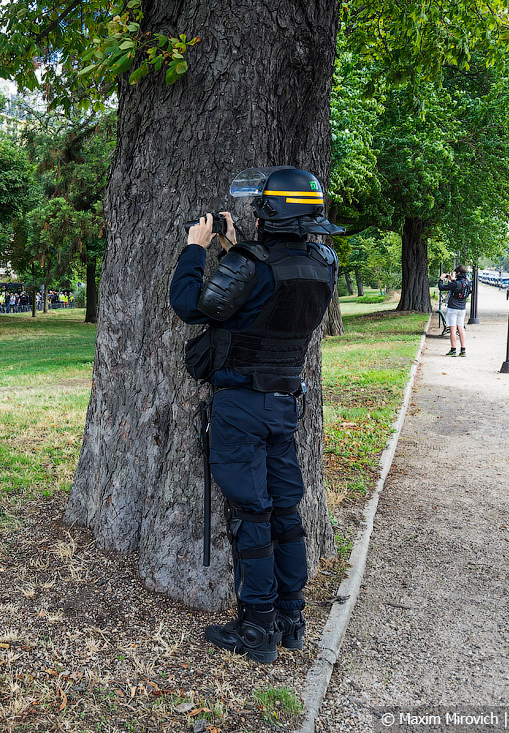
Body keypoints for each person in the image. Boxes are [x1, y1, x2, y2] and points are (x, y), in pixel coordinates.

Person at [169, 166, 341, 664]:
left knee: (254, 515)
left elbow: (191, 305)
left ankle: (257, 630)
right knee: (286, 514)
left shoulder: (253, 262)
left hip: (241, 405)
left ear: (272, 213)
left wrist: (198, 246)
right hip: (285, 404)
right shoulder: (322, 262)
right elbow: (267, 299)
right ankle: (292, 620)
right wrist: (238, 248)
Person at [438, 266, 472, 357]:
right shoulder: (468, 282)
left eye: (456, 273)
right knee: (460, 328)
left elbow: (441, 287)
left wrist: (441, 279)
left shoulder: (456, 283)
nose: (455, 274)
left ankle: (453, 350)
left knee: (453, 329)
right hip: (462, 308)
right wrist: (453, 280)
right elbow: (464, 289)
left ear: (459, 273)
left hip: (453, 308)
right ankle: (463, 350)